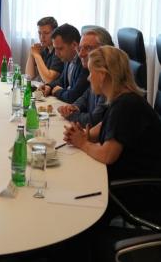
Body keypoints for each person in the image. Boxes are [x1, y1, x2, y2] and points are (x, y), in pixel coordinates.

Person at [64, 46, 161, 181]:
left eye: (91, 72)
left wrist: (82, 143)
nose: (89, 78)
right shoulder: (120, 99)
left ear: (102, 74)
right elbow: (99, 130)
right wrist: (80, 135)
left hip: (135, 188)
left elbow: (107, 155)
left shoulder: (125, 105)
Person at [58, 27, 114, 127]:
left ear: (105, 49)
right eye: (80, 48)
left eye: (88, 48)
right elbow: (87, 95)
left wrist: (72, 115)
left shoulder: (109, 78)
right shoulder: (94, 72)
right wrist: (75, 107)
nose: (81, 54)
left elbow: (94, 120)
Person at [39, 23, 89, 103]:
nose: (56, 53)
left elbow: (73, 96)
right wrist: (49, 86)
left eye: (60, 49)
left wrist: (58, 92)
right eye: (55, 48)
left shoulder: (85, 64)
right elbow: (62, 81)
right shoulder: (68, 58)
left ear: (74, 45)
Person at [25, 16, 63, 84]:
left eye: (46, 33)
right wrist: (32, 53)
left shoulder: (59, 51)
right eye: (39, 33)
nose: (42, 37)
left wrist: (36, 55)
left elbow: (49, 80)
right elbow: (29, 76)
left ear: (55, 33)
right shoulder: (44, 49)